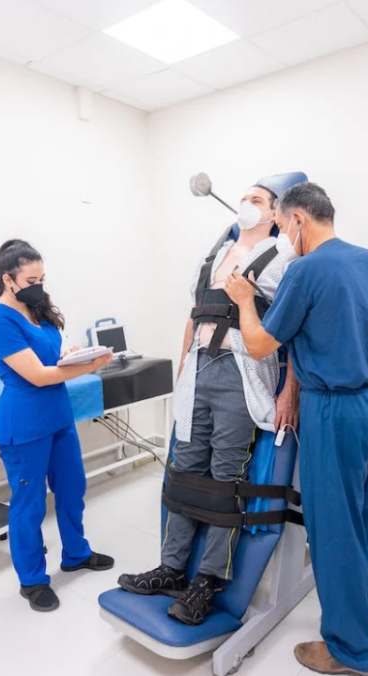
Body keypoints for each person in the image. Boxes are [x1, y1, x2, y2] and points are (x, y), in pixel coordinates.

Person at [224, 183, 368, 676]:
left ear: (298, 218)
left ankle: (350, 651)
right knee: (366, 520)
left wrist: (243, 299)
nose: (281, 236)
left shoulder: (306, 269)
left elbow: (259, 345)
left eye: (280, 226)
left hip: (334, 411)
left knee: (334, 532)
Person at [117, 183, 300, 626]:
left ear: (275, 214)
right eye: (245, 197)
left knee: (224, 479)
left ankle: (207, 582)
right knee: (185, 470)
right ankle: (172, 568)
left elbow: (296, 331)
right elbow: (194, 316)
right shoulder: (214, 256)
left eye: (257, 199)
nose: (246, 204)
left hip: (242, 375)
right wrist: (183, 371)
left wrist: (289, 390)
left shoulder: (285, 260)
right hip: (199, 370)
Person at [0, 239, 116, 613]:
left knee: (72, 489)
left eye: (42, 276)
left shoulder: (35, 309)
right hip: (24, 424)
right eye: (31, 278)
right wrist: (90, 366)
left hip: (58, 417)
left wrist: (72, 355)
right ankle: (33, 580)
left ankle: (76, 553)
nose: (39, 284)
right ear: (8, 280)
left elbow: (49, 357)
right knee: (29, 505)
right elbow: (39, 376)